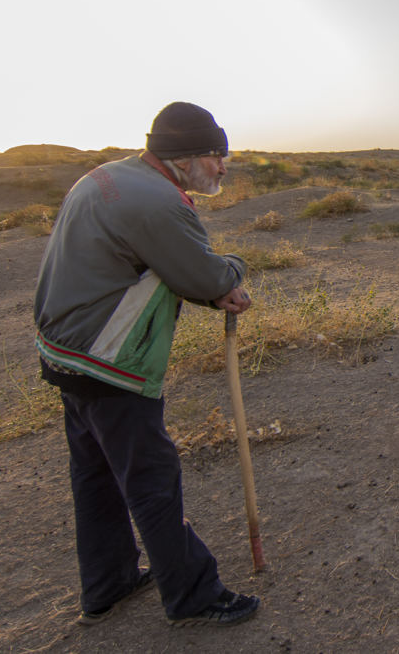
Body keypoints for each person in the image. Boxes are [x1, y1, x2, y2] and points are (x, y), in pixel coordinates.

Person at [34, 101, 261, 627]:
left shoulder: (107, 176)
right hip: (106, 359)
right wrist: (232, 270)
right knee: (152, 480)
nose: (223, 167)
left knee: (96, 476)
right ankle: (194, 595)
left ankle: (108, 583)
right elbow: (208, 277)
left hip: (65, 352)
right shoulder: (158, 202)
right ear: (184, 158)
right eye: (215, 156)